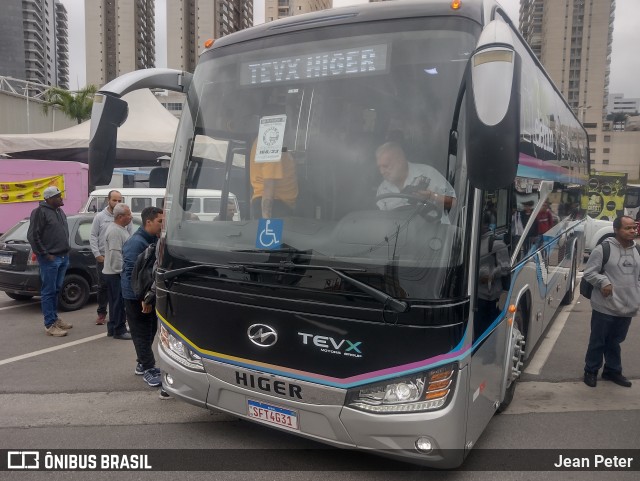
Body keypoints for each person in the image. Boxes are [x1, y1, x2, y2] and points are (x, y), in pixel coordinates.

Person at [582, 215, 640, 388]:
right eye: (627, 228)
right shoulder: (603, 249)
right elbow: (589, 273)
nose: (632, 231)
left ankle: (612, 371)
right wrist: (604, 282)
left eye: (634, 227)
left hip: (627, 306)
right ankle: (590, 370)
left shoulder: (637, 250)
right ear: (616, 230)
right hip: (605, 306)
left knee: (616, 341)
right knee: (598, 341)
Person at [121, 206, 164, 388]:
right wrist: (142, 299)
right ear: (148, 222)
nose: (162, 225)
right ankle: (148, 368)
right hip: (136, 296)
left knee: (150, 330)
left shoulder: (153, 239)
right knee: (141, 333)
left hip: (146, 294)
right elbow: (133, 274)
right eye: (160, 222)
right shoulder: (136, 243)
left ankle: (142, 363)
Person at [26, 186, 72, 337]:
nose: (61, 198)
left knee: (57, 289)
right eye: (58, 196)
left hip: (63, 257)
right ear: (49, 199)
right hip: (50, 259)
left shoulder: (59, 211)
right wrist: (45, 254)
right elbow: (33, 236)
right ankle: (49, 325)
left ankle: (55, 319)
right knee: (48, 291)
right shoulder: (39, 212)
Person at [375, 142, 455, 221]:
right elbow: (382, 221)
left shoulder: (428, 173)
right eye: (380, 167)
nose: (382, 172)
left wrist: (432, 196)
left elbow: (454, 203)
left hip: (434, 230)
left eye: (385, 166)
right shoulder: (383, 189)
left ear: (400, 161)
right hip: (398, 232)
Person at [90, 190, 133, 326]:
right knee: (103, 288)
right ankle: (102, 313)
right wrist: (97, 255)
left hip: (116, 259)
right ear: (108, 200)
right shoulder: (100, 217)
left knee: (117, 295)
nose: (117, 202)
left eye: (119, 200)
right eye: (114, 200)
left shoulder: (123, 221)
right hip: (105, 258)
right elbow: (93, 236)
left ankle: (117, 320)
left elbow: (129, 235)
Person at [102, 203, 133, 339]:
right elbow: (115, 254)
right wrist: (121, 271)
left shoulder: (120, 228)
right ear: (120, 217)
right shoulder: (115, 231)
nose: (131, 217)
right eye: (128, 214)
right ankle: (119, 330)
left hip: (114, 273)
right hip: (115, 273)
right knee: (118, 302)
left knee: (115, 301)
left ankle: (113, 328)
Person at [250, 140, 298, 219]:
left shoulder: (263, 141)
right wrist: (266, 221)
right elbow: (268, 185)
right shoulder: (271, 144)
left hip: (277, 204)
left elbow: (281, 150)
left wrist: (288, 152)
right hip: (274, 206)